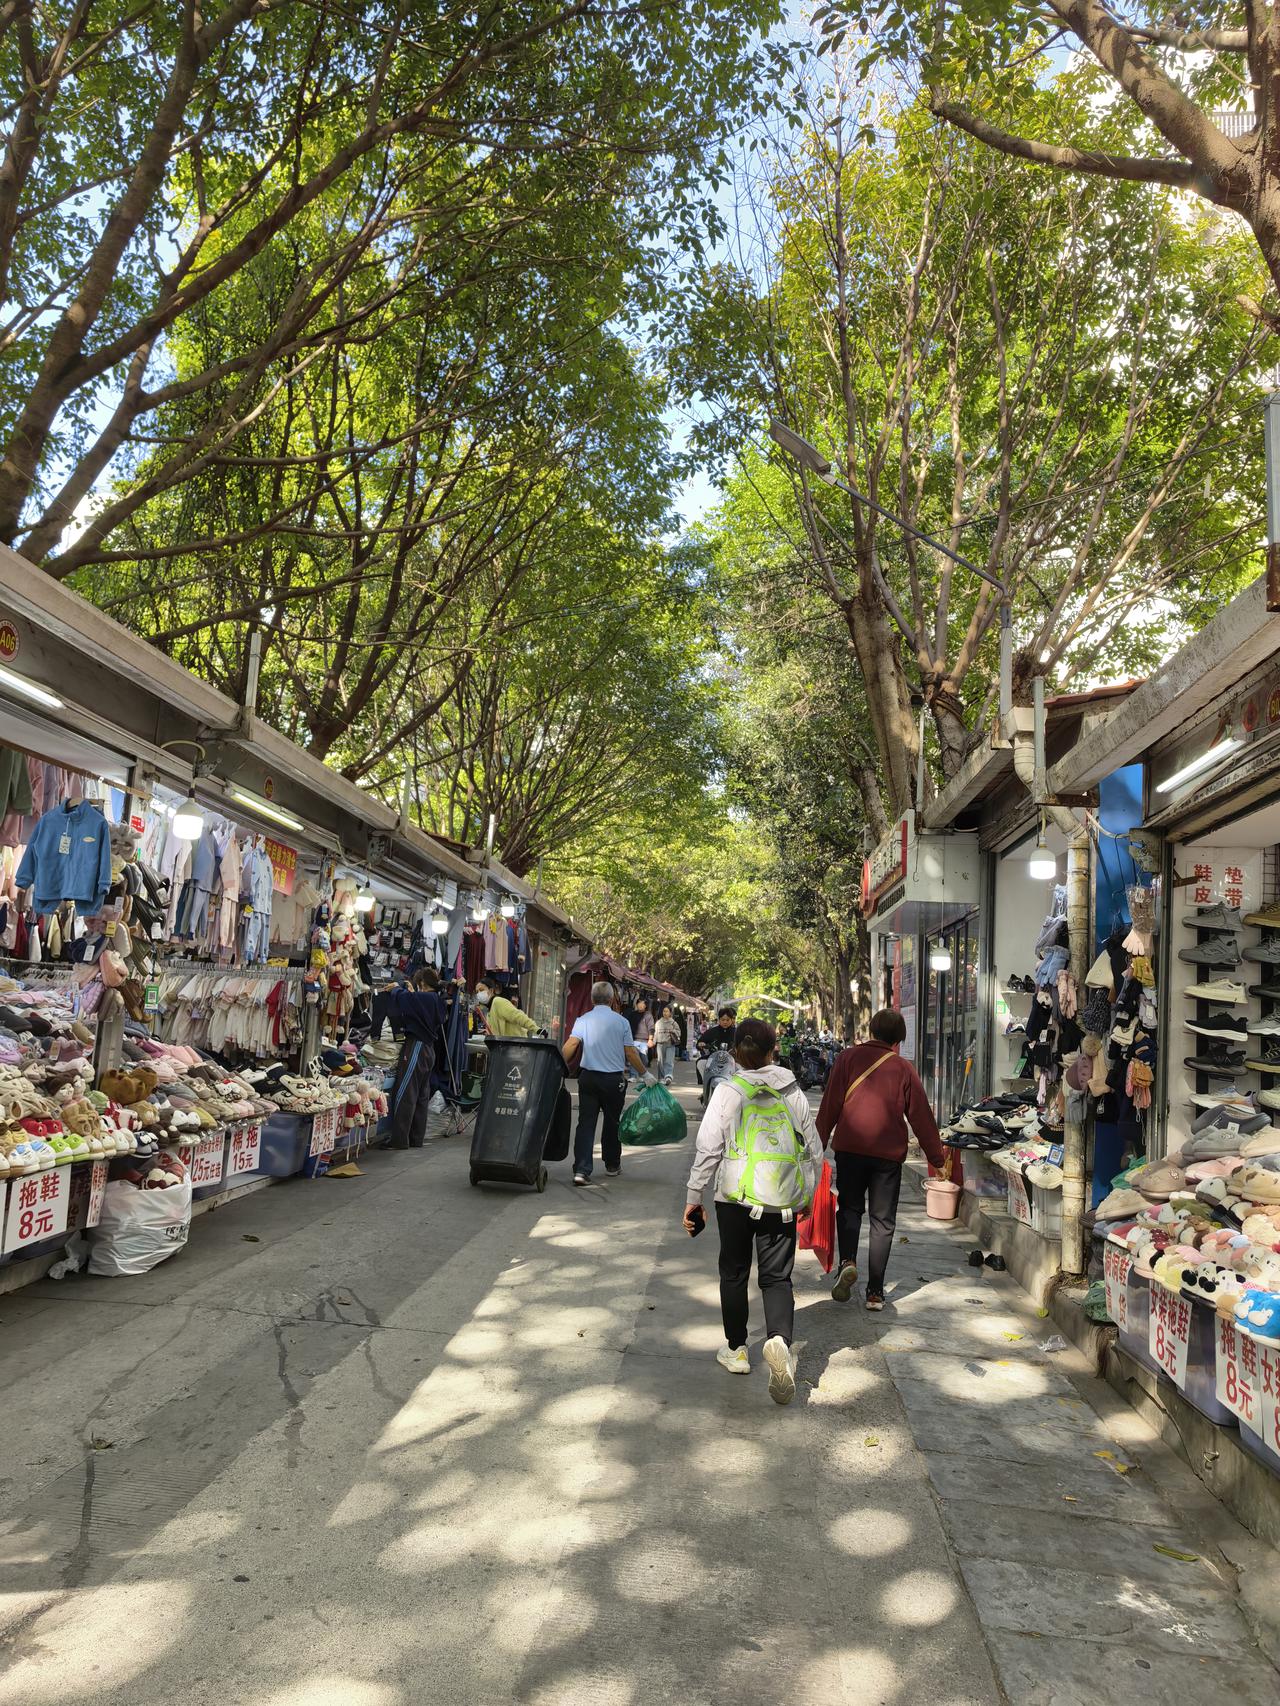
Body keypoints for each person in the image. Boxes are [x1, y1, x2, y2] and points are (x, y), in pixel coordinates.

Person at [683, 1017, 823, 1405]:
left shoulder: (728, 1091)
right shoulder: (792, 1090)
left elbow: (708, 1148)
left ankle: (737, 1349)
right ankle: (779, 1341)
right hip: (779, 1198)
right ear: (772, 1049)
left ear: (736, 1051)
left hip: (734, 1198)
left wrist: (694, 1197)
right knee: (777, 1278)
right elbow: (813, 1148)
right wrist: (807, 1195)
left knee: (734, 1271)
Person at [816, 1007, 946, 1311]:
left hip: (850, 1149)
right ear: (899, 1039)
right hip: (887, 1157)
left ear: (872, 1030)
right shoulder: (903, 1068)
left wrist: (816, 1145)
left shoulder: (847, 1058)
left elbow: (830, 1104)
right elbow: (921, 1117)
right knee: (882, 1221)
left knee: (849, 1208)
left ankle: (848, 1261)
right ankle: (875, 1292)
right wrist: (937, 1158)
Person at [562, 980, 652, 1184]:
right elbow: (630, 1052)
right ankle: (612, 1164)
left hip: (588, 1078)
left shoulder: (583, 1019)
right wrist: (645, 1074)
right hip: (613, 1080)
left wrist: (558, 1065)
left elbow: (571, 1045)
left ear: (593, 999)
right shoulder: (621, 1022)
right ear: (612, 1000)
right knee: (612, 1122)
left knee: (585, 1123)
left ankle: (582, 1170)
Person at [380, 968, 447, 1149]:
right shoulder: (436, 999)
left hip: (417, 1046)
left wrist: (395, 988)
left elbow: (406, 999)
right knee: (420, 1096)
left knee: (405, 1092)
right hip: (428, 1050)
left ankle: (399, 1140)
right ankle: (416, 1138)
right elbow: (414, 1002)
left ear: (422, 984)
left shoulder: (426, 998)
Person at [476, 978, 540, 1038]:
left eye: (481, 990)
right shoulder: (490, 1009)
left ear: (491, 990)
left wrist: (537, 1029)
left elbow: (518, 1016)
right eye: (477, 992)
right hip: (506, 1045)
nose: (479, 993)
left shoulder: (498, 1002)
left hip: (515, 1045)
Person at [652, 1005, 679, 1084]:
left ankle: (668, 1076)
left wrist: (673, 1031)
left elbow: (679, 1033)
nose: (665, 1013)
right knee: (660, 1061)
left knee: (669, 1061)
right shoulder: (658, 1022)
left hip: (670, 1043)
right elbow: (656, 1033)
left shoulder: (673, 1023)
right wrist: (653, 1042)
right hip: (660, 1044)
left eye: (667, 1011)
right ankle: (661, 1078)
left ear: (670, 1013)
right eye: (664, 1011)